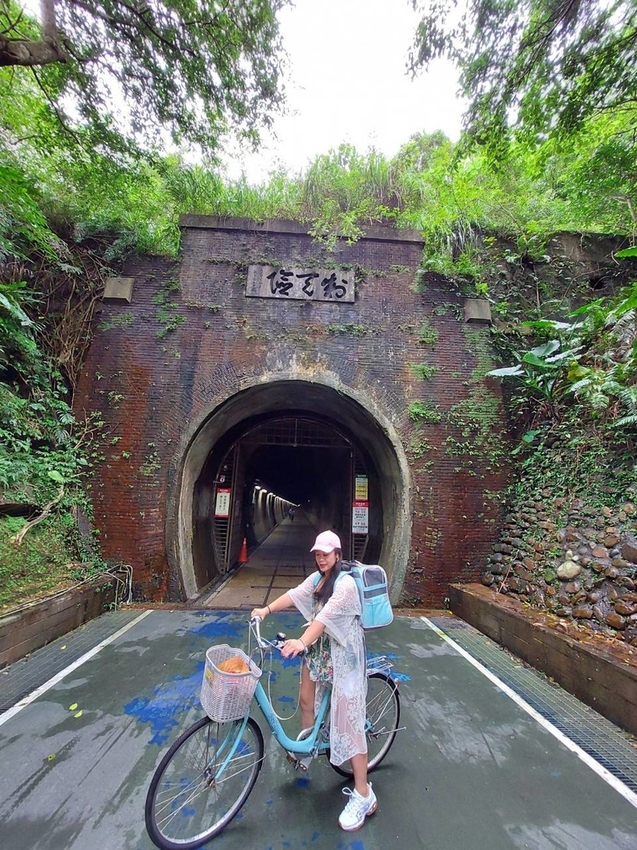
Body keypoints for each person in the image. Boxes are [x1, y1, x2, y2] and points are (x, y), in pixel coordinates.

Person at [250, 530, 376, 832]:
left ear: (337, 554)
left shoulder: (344, 585)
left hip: (343, 656)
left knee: (349, 723)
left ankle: (364, 794)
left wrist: (301, 642)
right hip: (322, 651)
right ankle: (309, 747)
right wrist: (265, 610)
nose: (321, 557)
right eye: (317, 553)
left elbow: (323, 619)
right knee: (306, 699)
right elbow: (295, 594)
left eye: (326, 553)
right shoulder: (318, 579)